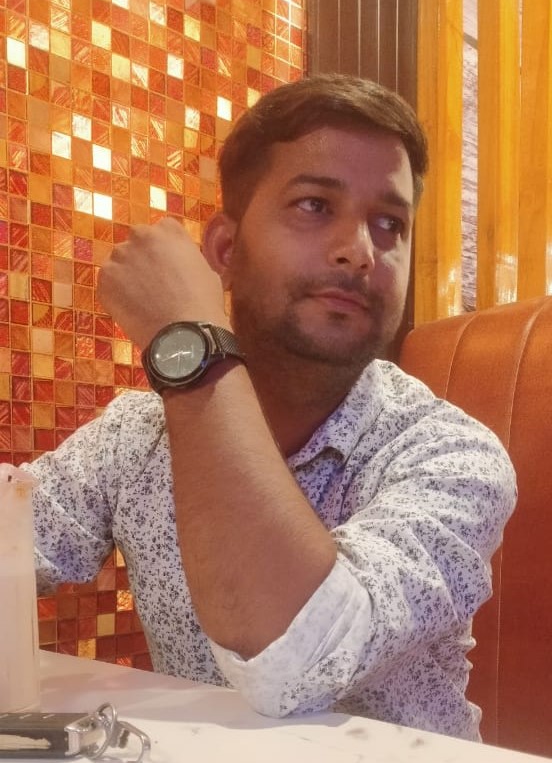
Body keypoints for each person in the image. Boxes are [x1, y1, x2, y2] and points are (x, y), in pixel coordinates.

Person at [26, 74, 516, 741]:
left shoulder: (452, 456)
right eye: (315, 205)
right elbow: (16, 541)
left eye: (389, 223)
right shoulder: (133, 438)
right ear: (226, 251)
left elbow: (296, 662)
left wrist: (187, 341)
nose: (360, 251)